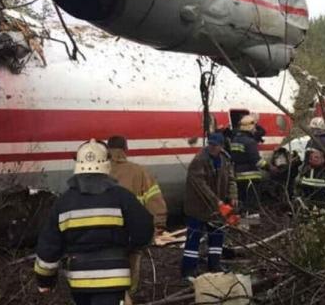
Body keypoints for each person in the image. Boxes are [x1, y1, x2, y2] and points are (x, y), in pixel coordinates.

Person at [34, 139, 153, 305]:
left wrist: (45, 281)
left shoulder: (63, 202)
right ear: (106, 163)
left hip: (79, 283)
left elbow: (48, 247)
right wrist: (127, 247)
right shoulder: (121, 196)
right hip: (114, 280)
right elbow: (144, 230)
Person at [106, 135, 168, 305]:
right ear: (125, 149)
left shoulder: (99, 173)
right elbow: (155, 201)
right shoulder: (139, 171)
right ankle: (127, 297)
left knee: (107, 271)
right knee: (131, 270)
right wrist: (157, 227)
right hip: (131, 235)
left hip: (104, 236)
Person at [181, 133, 239, 280]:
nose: (212, 147)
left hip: (216, 207)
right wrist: (218, 202)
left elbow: (231, 178)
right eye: (210, 144)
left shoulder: (225, 159)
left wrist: (233, 196)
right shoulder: (199, 161)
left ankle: (215, 264)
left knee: (217, 236)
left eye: (215, 145)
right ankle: (188, 269)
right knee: (194, 238)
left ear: (221, 146)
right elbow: (201, 186)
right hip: (198, 207)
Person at [228, 116, 267, 216]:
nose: (255, 129)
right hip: (251, 178)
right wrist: (270, 167)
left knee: (243, 203)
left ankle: (243, 225)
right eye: (254, 127)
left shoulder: (235, 139)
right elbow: (257, 161)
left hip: (239, 177)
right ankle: (252, 227)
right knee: (252, 205)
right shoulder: (250, 142)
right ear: (250, 128)